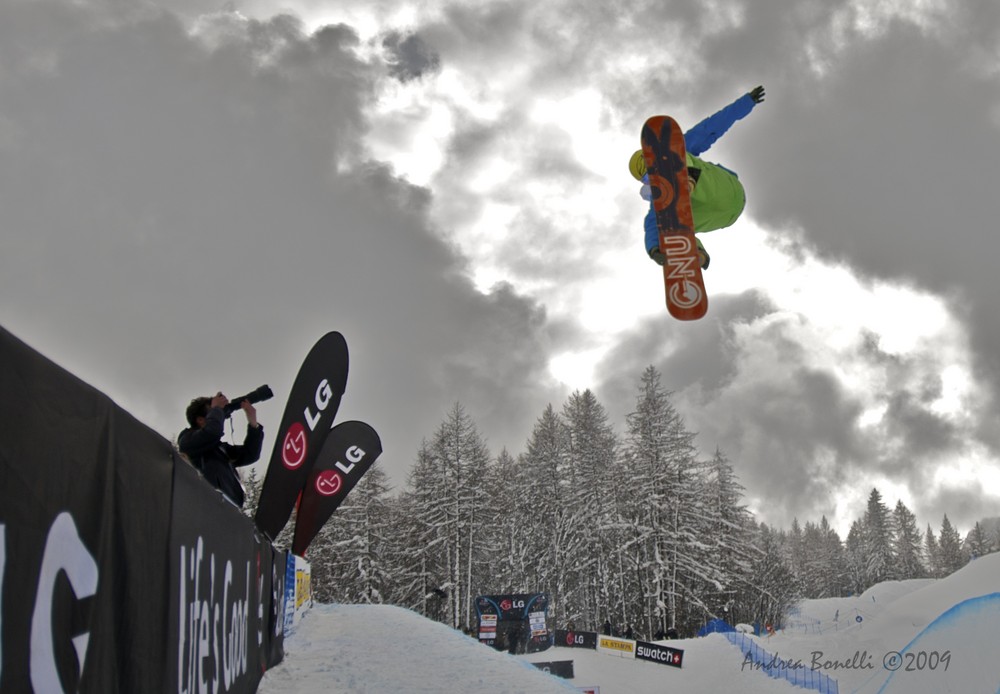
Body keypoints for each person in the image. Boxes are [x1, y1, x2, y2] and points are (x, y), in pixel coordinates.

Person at [629, 85, 766, 269]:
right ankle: (696, 256)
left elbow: (711, 127)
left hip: (726, 189)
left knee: (677, 155)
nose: (656, 178)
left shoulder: (679, 149)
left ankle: (686, 180)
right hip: (723, 216)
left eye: (654, 169)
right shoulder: (660, 200)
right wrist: (655, 250)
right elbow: (652, 225)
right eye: (648, 179)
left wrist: (746, 103)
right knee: (665, 224)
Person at [178, 392, 264, 507]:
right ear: (200, 420)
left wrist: (253, 425)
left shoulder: (220, 449)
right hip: (206, 504)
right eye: (212, 412)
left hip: (228, 508)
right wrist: (217, 408)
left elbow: (250, 454)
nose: (219, 415)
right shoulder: (187, 440)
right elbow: (212, 432)